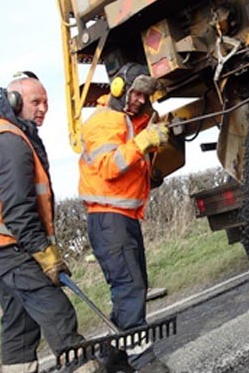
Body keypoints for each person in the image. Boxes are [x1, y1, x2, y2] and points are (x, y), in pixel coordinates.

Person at [0, 71, 97, 372]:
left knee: (19, 318)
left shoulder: (9, 134)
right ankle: (82, 367)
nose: (43, 108)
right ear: (14, 100)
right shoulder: (9, 141)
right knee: (54, 306)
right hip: (3, 244)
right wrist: (45, 255)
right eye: (36, 101)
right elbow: (18, 211)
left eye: (46, 102)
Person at [78, 62, 171, 373]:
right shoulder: (104, 121)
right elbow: (109, 166)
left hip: (122, 218)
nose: (141, 100)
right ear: (119, 89)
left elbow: (134, 165)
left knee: (131, 286)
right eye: (137, 94)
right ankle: (143, 362)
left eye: (146, 96)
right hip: (109, 220)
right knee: (130, 286)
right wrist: (144, 142)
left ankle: (111, 357)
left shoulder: (130, 123)